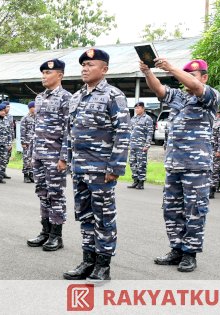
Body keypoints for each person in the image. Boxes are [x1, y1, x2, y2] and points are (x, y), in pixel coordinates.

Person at [141, 58, 220, 273]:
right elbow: (159, 90)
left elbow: (196, 87)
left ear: (204, 77)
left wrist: (171, 68)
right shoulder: (179, 96)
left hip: (196, 166)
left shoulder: (209, 96)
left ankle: (190, 254)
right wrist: (148, 71)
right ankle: (176, 248)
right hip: (174, 164)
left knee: (194, 210)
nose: (189, 80)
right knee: (172, 209)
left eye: (193, 75)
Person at [62, 49, 130, 282]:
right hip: (80, 168)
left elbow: (123, 132)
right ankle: (88, 260)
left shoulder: (114, 96)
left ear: (104, 69)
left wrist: (115, 167)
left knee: (104, 217)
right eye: (83, 64)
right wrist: (66, 158)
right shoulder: (76, 96)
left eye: (91, 64)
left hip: (101, 169)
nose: (85, 68)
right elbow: (69, 132)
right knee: (85, 216)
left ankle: (103, 265)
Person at [26, 58, 71, 252]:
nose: (44, 76)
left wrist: (63, 157)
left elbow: (69, 130)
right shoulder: (39, 98)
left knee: (56, 194)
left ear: (59, 75)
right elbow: (37, 127)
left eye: (48, 73)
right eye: (43, 73)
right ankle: (45, 231)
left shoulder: (66, 98)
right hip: (39, 154)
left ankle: (56, 235)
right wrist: (31, 153)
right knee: (42, 192)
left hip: (55, 155)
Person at [127, 101, 153, 190]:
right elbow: (130, 132)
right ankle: (135, 181)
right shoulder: (133, 118)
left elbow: (150, 133)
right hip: (133, 145)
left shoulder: (147, 118)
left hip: (141, 146)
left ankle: (141, 182)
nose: (136, 110)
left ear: (143, 108)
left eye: (138, 108)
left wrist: (147, 145)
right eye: (135, 108)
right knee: (132, 163)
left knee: (141, 164)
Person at [20, 101, 36, 183]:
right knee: (26, 159)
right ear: (30, 108)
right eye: (34, 107)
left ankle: (32, 174)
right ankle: (26, 175)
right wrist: (23, 142)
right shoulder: (25, 118)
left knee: (34, 159)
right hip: (27, 142)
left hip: (36, 142)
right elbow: (22, 131)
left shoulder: (38, 118)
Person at [3, 102, 15, 179]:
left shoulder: (10, 117)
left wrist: (12, 139)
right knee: (0, 157)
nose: (8, 108)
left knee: (7, 156)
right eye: (7, 107)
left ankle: (3, 171)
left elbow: (11, 129)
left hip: (9, 139)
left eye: (9, 107)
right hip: (1, 140)